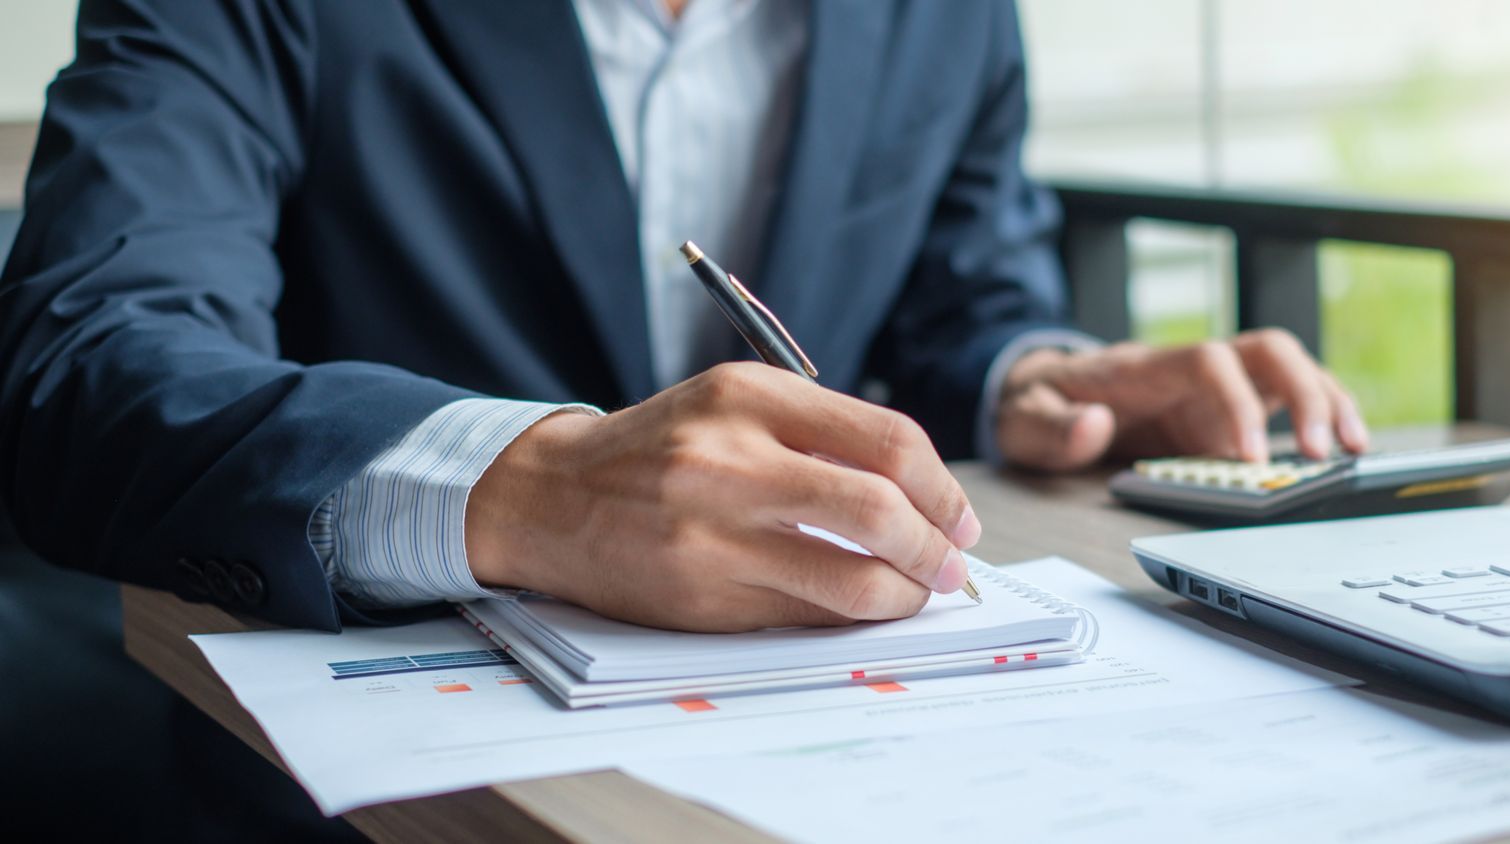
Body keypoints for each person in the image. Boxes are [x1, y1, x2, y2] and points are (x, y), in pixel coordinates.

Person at [0, 0, 1369, 640]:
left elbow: (967, 303)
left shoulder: (943, 17)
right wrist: (523, 484)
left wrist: (1042, 372)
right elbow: (85, 366)